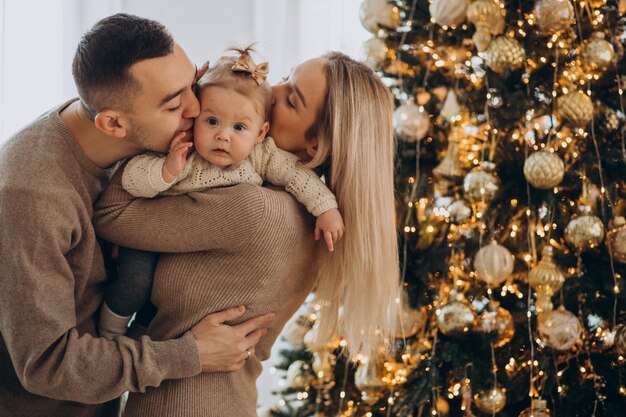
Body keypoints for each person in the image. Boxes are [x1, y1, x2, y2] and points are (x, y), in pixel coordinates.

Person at [92, 50, 400, 416]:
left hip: (183, 406)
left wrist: (165, 126)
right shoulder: (311, 216)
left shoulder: (251, 208)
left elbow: (111, 214)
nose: (271, 90)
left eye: (290, 98)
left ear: (316, 143)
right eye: (285, 77)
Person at [0, 14, 278, 417]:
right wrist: (189, 354)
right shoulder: (32, 195)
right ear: (113, 123)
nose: (197, 108)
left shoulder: (134, 143)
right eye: (174, 102)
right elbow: (46, 365)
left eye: (192, 83)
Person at [98, 47, 345, 340]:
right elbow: (134, 177)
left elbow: (298, 176)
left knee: (151, 305)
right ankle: (110, 332)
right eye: (212, 121)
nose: (223, 136)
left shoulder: (260, 159)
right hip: (153, 230)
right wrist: (166, 170)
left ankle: (132, 340)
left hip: (173, 244)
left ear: (261, 131)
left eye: (239, 127)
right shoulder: (186, 148)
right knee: (134, 282)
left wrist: (326, 208)